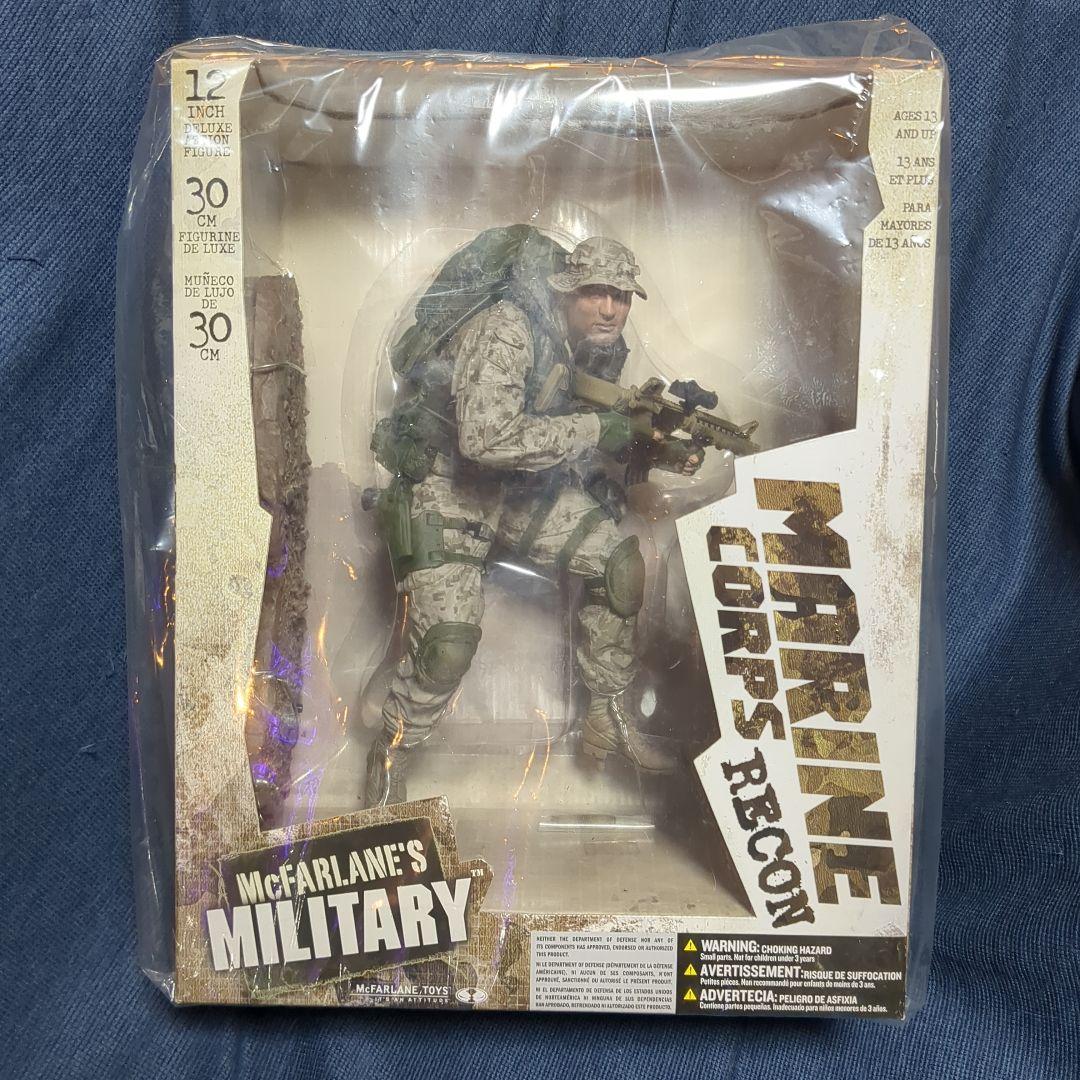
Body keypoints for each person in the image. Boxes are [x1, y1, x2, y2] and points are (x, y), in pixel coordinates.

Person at [364, 235, 702, 808]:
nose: (610, 309)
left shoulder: (587, 349)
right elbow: (484, 438)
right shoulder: (508, 328)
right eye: (595, 293)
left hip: (515, 490)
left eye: (621, 296)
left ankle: (607, 714)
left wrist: (661, 450)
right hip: (448, 487)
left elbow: (590, 429)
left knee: (618, 564)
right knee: (447, 647)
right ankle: (391, 753)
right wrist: (597, 431)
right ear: (566, 289)